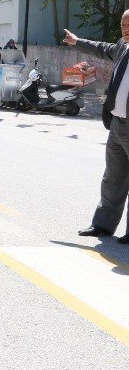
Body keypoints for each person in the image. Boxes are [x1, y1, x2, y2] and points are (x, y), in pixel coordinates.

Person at [65, 17, 129, 242]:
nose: (126, 29)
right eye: (123, 25)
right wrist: (77, 41)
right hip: (118, 123)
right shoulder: (122, 46)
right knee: (113, 178)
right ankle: (103, 225)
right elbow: (102, 48)